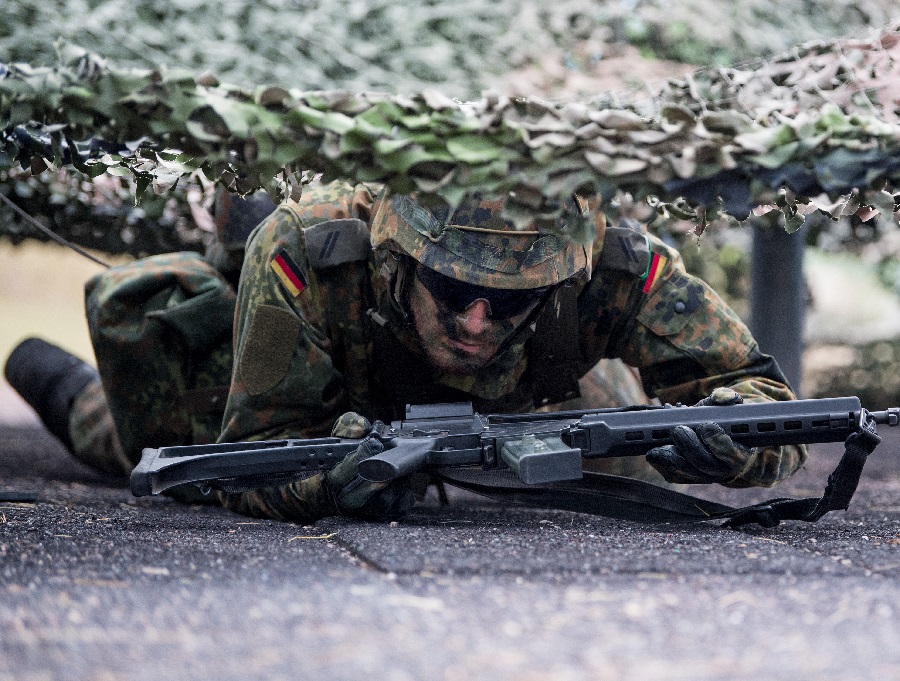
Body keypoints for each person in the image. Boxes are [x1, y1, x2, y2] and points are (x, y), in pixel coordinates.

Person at [4, 180, 805, 523]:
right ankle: (55, 376)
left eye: (515, 300)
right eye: (454, 290)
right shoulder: (306, 249)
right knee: (141, 437)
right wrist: (325, 483)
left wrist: (734, 442)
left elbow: (775, 410)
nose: (479, 321)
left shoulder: (619, 265)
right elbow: (245, 452)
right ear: (399, 259)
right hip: (321, 387)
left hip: (525, 405)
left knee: (621, 447)